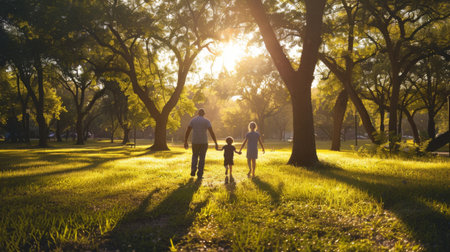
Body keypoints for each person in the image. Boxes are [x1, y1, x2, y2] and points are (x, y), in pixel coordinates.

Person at [184, 109, 218, 179]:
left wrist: (185, 141)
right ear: (204, 114)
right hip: (203, 142)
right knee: (202, 158)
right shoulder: (207, 121)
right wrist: (215, 142)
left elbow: (188, 131)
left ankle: (193, 169)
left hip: (195, 141)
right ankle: (200, 174)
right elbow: (211, 132)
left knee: (195, 155)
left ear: (198, 113)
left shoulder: (193, 120)